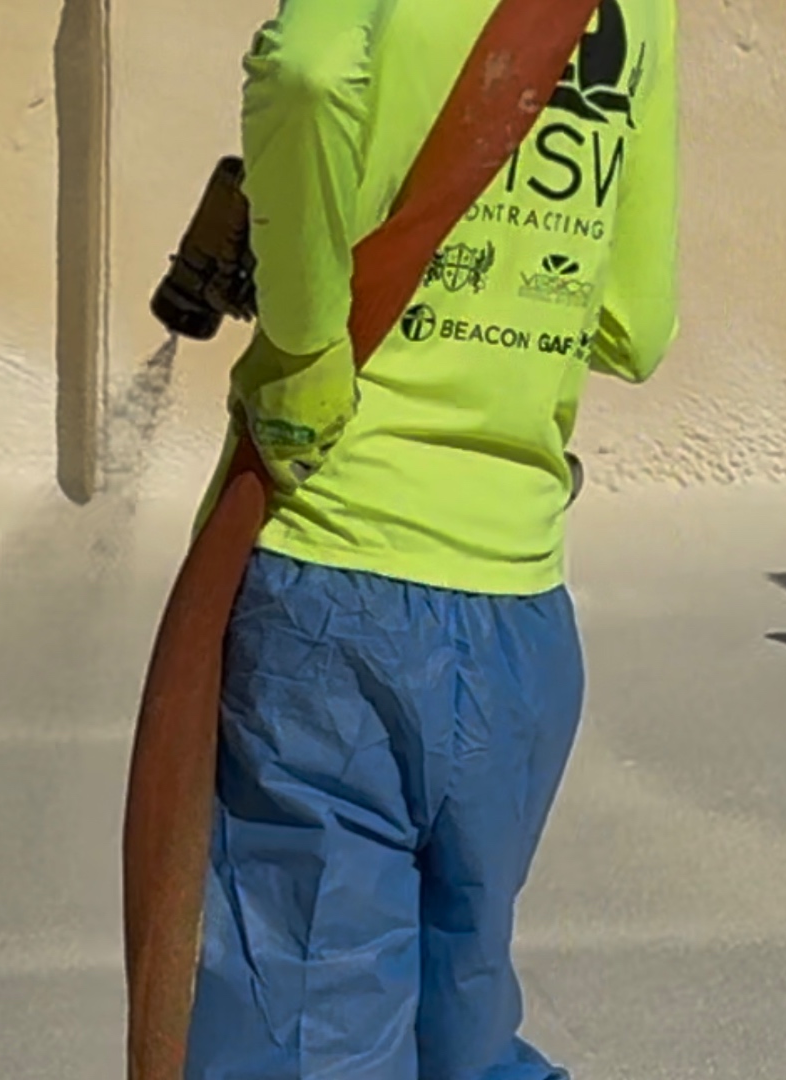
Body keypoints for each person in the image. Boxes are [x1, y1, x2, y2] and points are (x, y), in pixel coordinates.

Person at [183, 0, 681, 1076]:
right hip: (521, 616)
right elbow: (635, 322)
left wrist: (312, 339)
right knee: (458, 1017)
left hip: (335, 587)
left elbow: (308, 73)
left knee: (307, 1028)